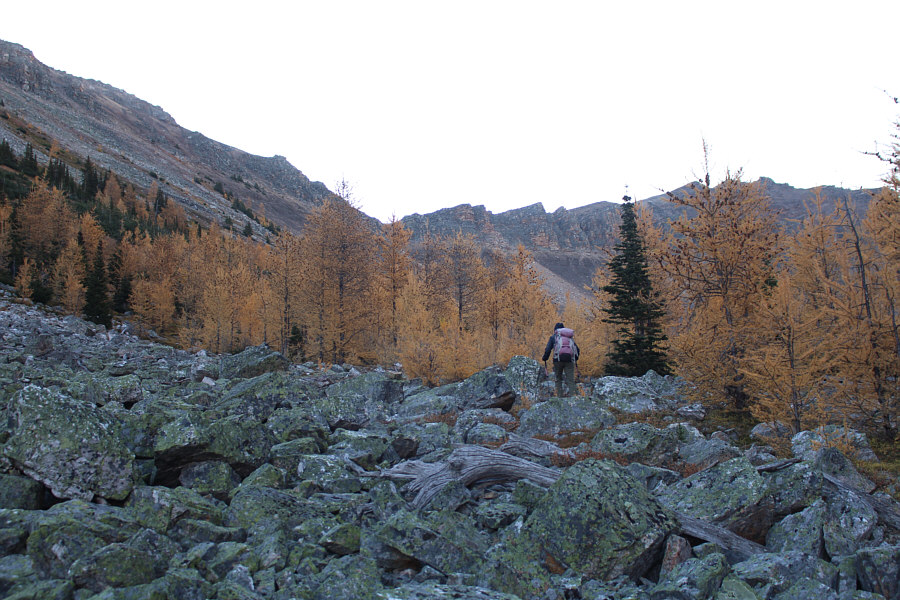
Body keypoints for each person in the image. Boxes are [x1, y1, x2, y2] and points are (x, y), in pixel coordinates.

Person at [541, 322, 579, 397]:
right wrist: (575, 359)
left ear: (555, 330)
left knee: (558, 379)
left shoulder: (553, 337)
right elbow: (577, 349)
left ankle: (559, 397)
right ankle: (574, 398)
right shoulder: (569, 338)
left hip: (557, 360)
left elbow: (548, 349)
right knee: (570, 379)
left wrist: (545, 358)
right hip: (569, 360)